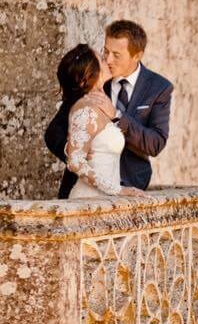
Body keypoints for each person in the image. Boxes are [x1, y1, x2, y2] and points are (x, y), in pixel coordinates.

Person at [45, 19, 173, 198]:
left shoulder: (159, 88)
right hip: (85, 187)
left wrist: (117, 116)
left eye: (116, 54)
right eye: (105, 52)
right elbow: (53, 132)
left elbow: (156, 143)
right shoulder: (92, 80)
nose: (108, 59)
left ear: (137, 55)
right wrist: (76, 152)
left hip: (131, 185)